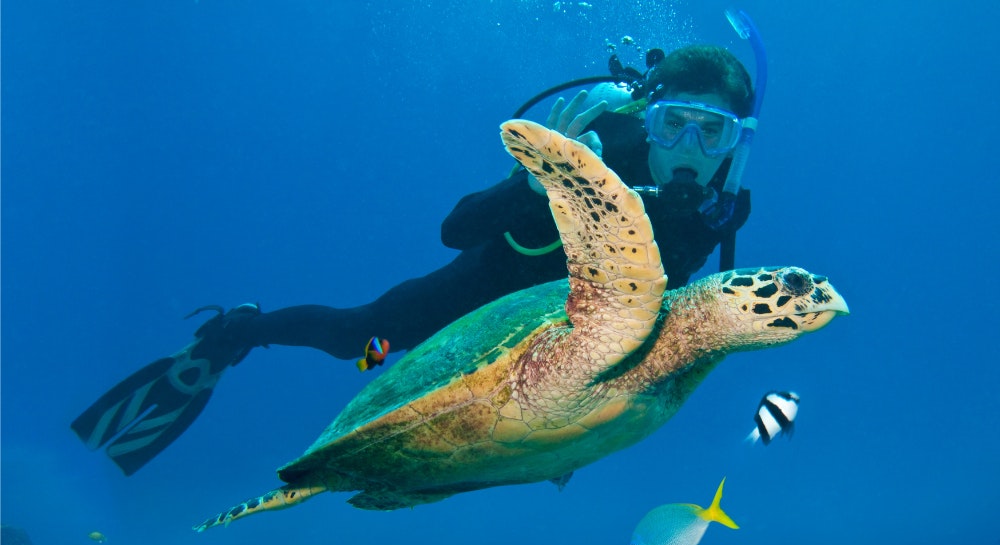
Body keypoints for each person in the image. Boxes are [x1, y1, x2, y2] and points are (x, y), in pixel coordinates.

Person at [72, 43, 758, 475]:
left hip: (555, 344)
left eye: (713, 132)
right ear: (649, 117)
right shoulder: (591, 154)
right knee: (362, 344)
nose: (690, 150)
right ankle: (236, 333)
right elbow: (456, 228)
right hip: (474, 299)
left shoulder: (723, 206)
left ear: (736, 141)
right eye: (675, 124)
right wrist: (542, 180)